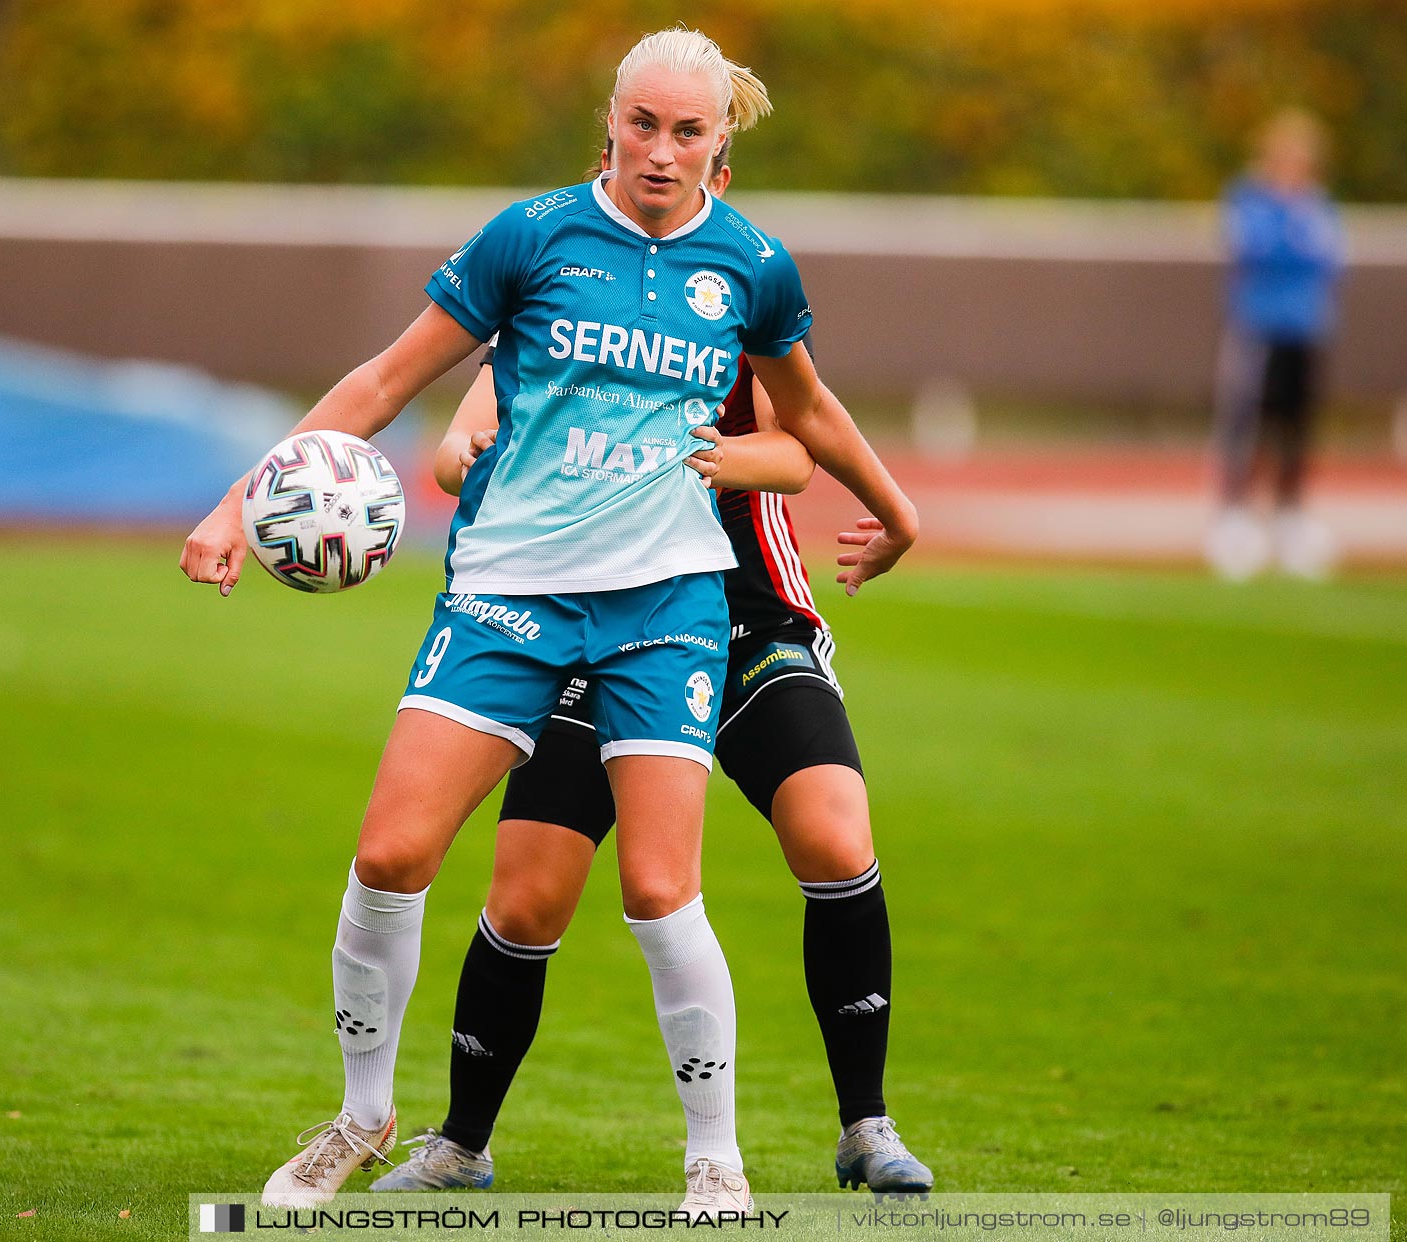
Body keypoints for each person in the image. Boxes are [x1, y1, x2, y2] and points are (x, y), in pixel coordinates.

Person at [177, 27, 917, 1213]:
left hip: (666, 610)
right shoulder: (530, 237)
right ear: (609, 123)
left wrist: (898, 512)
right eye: (641, 125)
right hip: (508, 593)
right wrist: (233, 500)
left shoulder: (754, 266)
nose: (661, 152)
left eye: (687, 131)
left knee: (659, 887)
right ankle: (364, 1116)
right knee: (391, 853)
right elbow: (383, 383)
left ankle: (712, 1157)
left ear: (721, 141)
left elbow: (807, 413)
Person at [371, 140, 933, 1200]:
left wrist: (692, 454)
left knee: (833, 835)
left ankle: (867, 1125)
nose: (670, 183)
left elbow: (796, 446)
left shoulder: (739, 297)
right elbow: (464, 433)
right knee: (530, 898)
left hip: (744, 621)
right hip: (593, 625)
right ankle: (459, 1144)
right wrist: (467, 455)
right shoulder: (560, 301)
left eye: (698, 157)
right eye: (647, 146)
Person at [1206, 108, 1345, 581]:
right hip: (1259, 328)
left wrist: (1295, 237)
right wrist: (1291, 235)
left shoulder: (1318, 205)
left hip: (1305, 330)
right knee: (1248, 423)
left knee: (1296, 428)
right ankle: (1235, 514)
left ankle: (1289, 514)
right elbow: (1257, 251)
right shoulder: (1249, 201)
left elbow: (1328, 259)